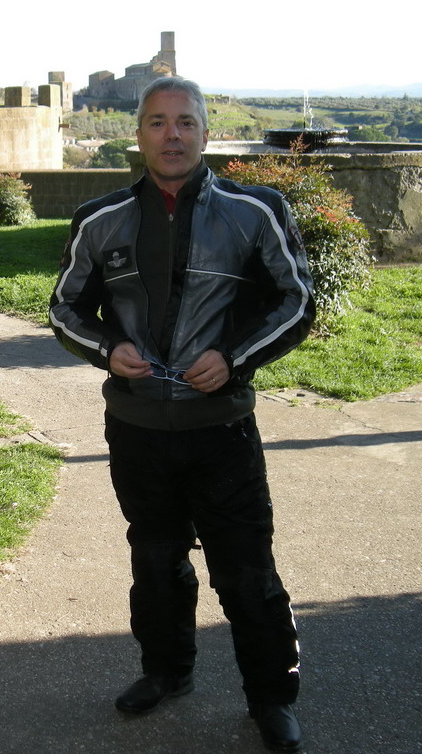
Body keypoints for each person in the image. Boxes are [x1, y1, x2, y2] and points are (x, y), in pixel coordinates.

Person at [49, 77, 315, 753]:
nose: (172, 135)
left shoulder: (256, 211)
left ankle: (271, 698)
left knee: (246, 572)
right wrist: (107, 350)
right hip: (137, 431)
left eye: (185, 122)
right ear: (138, 134)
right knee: (156, 561)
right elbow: (64, 309)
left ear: (205, 132)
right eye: (158, 122)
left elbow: (296, 302)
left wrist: (232, 357)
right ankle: (166, 672)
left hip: (220, 428)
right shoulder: (99, 218)